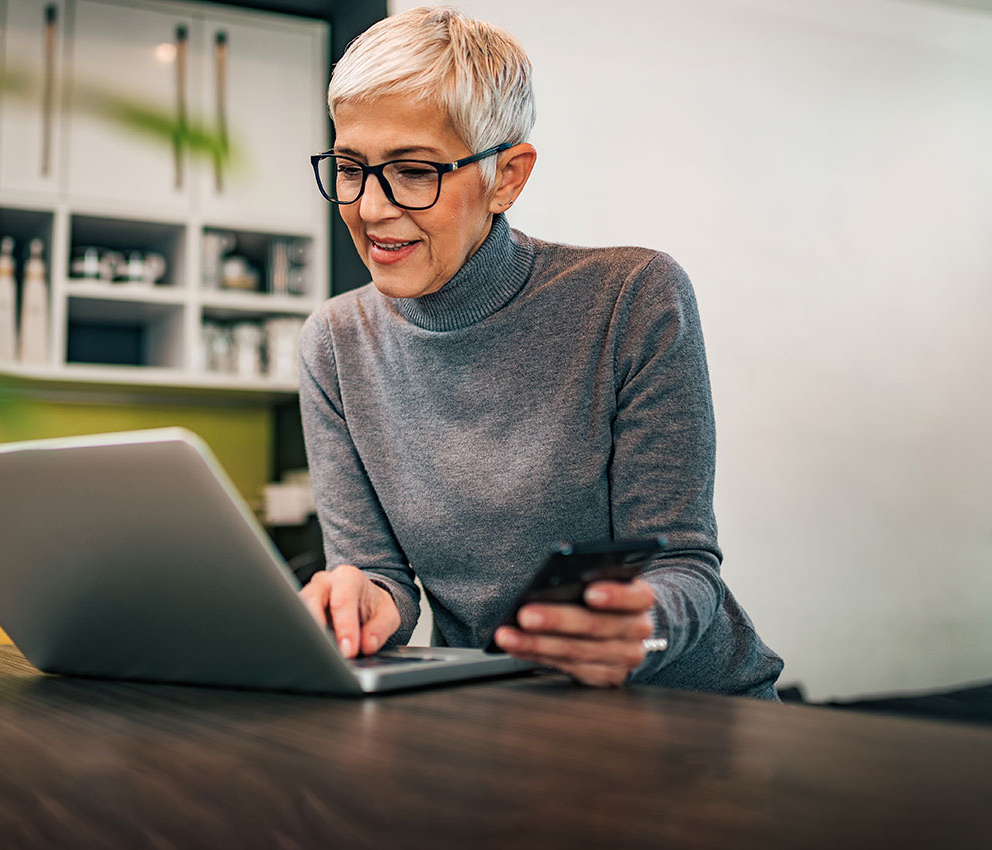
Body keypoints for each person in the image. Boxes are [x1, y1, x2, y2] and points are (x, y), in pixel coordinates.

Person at [297, 6, 783, 698]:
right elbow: (380, 578)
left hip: (686, 706)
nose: (371, 209)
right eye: (350, 167)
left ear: (507, 177)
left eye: (412, 171)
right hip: (497, 712)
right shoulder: (335, 344)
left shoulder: (632, 297)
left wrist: (638, 631)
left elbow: (682, 563)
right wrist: (364, 604)